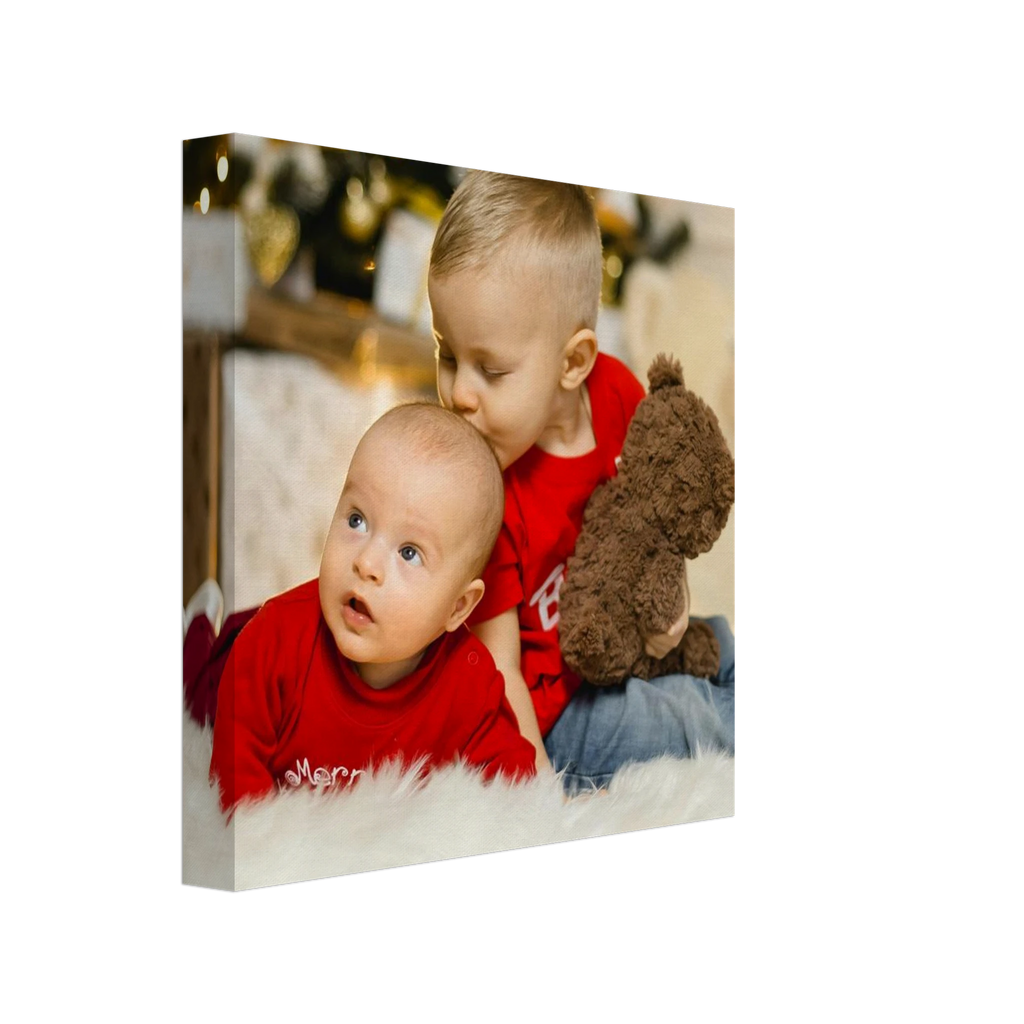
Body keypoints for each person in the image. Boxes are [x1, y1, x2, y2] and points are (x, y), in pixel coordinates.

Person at [426, 169, 736, 793]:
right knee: (673, 720)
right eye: (449, 355)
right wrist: (539, 791)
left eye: (489, 368)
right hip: (561, 713)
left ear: (574, 362)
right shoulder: (484, 493)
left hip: (625, 650)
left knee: (721, 637)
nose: (459, 392)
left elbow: (657, 519)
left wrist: (669, 612)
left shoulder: (618, 393)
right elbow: (500, 671)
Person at [199, 401, 537, 814]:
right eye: (357, 520)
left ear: (458, 607)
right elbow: (237, 790)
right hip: (227, 672)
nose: (367, 563)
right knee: (198, 682)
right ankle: (200, 629)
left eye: (409, 552)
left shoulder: (469, 684)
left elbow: (518, 795)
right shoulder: (272, 645)